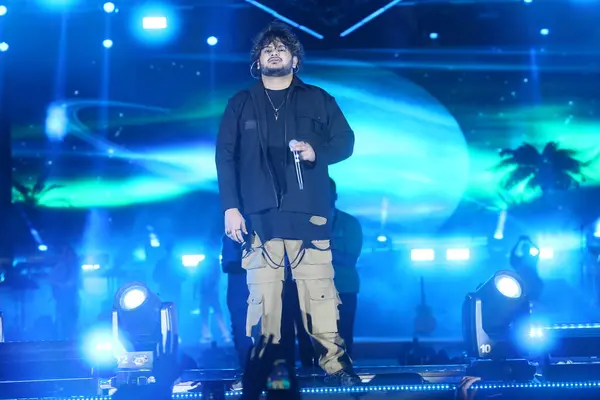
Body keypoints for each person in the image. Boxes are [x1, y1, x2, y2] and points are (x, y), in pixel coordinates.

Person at [215, 21, 359, 386]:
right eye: (267, 49)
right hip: (259, 219)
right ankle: (269, 371)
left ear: (295, 60)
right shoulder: (241, 103)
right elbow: (225, 156)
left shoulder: (318, 99)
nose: (274, 53)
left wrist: (317, 151)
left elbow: (346, 141)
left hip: (308, 217)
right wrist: (231, 207)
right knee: (264, 302)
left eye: (281, 48)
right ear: (257, 62)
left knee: (321, 297)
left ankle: (336, 368)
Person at [329, 178, 362, 357]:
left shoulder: (350, 223)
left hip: (344, 289)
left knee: (343, 335)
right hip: (311, 290)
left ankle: (345, 376)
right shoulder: (305, 224)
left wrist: (321, 251)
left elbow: (351, 260)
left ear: (335, 196)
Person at [221, 235, 254, 372]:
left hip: (254, 293)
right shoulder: (231, 237)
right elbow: (227, 265)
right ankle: (246, 371)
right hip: (239, 295)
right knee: (241, 334)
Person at [49, 244, 81, 339]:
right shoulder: (59, 267)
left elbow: (74, 282)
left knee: (71, 321)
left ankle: (71, 339)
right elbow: (52, 280)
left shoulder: (75, 268)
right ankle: (65, 339)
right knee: (64, 322)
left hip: (72, 299)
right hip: (63, 300)